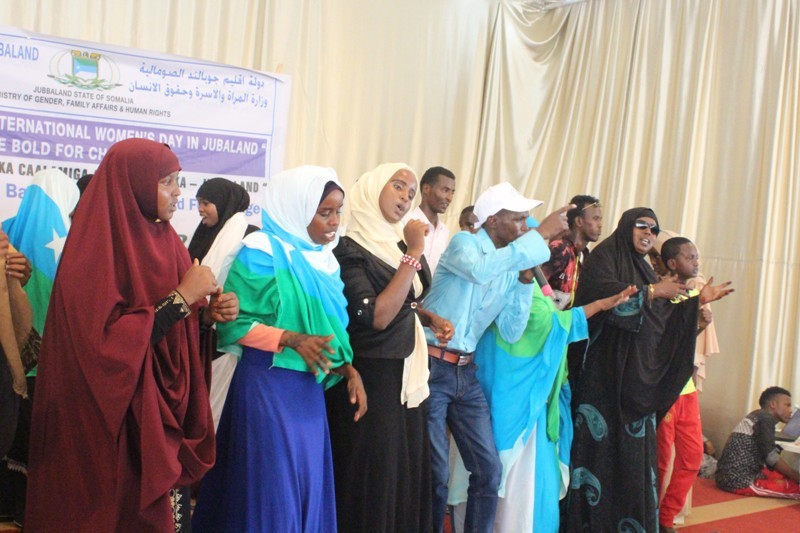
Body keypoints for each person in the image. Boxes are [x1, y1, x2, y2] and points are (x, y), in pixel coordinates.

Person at [25, 138, 239, 532]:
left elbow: (175, 334)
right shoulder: (94, 247)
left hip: (162, 415)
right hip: (114, 421)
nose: (178, 192)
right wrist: (181, 298)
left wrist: (206, 316)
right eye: (166, 182)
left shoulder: (168, 243)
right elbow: (99, 344)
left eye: (178, 181)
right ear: (133, 184)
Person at [192, 166, 366, 532]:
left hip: (308, 394)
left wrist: (346, 368)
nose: (335, 222)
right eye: (325, 212)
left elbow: (327, 336)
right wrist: (289, 339)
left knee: (305, 489)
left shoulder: (327, 261)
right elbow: (234, 323)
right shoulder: (260, 251)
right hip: (266, 388)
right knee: (273, 495)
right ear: (296, 209)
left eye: (338, 211)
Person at [456, 225, 636, 532]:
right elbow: (542, 326)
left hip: (518, 392)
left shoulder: (521, 283)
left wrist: (599, 305)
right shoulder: (510, 282)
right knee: (511, 484)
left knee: (509, 479)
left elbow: (552, 322)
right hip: (516, 398)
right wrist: (598, 306)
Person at [564, 208, 733, 533]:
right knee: (597, 459)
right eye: (642, 226)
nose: (648, 233)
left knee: (633, 465)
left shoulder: (643, 269)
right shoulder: (604, 260)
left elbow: (658, 324)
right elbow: (605, 304)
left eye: (654, 230)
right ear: (626, 227)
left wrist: (695, 302)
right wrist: (652, 292)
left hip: (633, 390)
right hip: (601, 384)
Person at [422, 182, 572, 533]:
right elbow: (479, 270)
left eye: (526, 220)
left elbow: (511, 330)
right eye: (518, 218)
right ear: (492, 220)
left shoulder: (509, 264)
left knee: (489, 470)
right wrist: (538, 237)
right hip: (432, 368)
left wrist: (524, 280)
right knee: (435, 473)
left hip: (465, 373)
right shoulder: (466, 243)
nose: (524, 226)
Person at [325, 163, 453, 532]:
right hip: (373, 375)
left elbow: (404, 300)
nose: (405, 197)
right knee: (374, 476)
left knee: (403, 473)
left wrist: (426, 317)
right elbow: (376, 315)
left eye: (410, 193)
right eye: (398, 186)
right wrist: (414, 251)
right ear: (373, 188)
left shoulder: (396, 239)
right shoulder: (348, 248)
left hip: (405, 372)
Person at [653, 235, 718, 531]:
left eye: (697, 257)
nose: (696, 263)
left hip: (686, 390)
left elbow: (680, 344)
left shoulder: (691, 295)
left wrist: (699, 325)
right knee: (660, 461)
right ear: (671, 263)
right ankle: (649, 517)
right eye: (689, 258)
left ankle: (665, 517)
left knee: (692, 458)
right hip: (664, 389)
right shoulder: (659, 294)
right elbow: (659, 344)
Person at [187, 177, 259, 430]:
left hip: (229, 337)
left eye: (206, 203)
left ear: (223, 202)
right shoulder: (202, 235)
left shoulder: (250, 237)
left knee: (215, 418)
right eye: (198, 202)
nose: (200, 209)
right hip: (196, 333)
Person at [716, 386, 800, 499]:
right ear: (773, 404)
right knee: (796, 488)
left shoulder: (757, 415)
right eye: (787, 405)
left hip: (726, 476)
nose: (790, 411)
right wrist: (796, 476)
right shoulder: (766, 419)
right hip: (739, 480)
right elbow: (771, 458)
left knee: (782, 476)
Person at [540, 195, 603, 311]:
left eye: (600, 219)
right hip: (545, 319)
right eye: (595, 218)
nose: (600, 225)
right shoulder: (560, 249)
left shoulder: (586, 256)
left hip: (567, 320)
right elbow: (535, 286)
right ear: (579, 221)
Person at [403, 166, 455, 273]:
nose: (449, 198)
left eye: (452, 192)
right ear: (426, 189)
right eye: (445, 190)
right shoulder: (405, 221)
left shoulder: (445, 231)